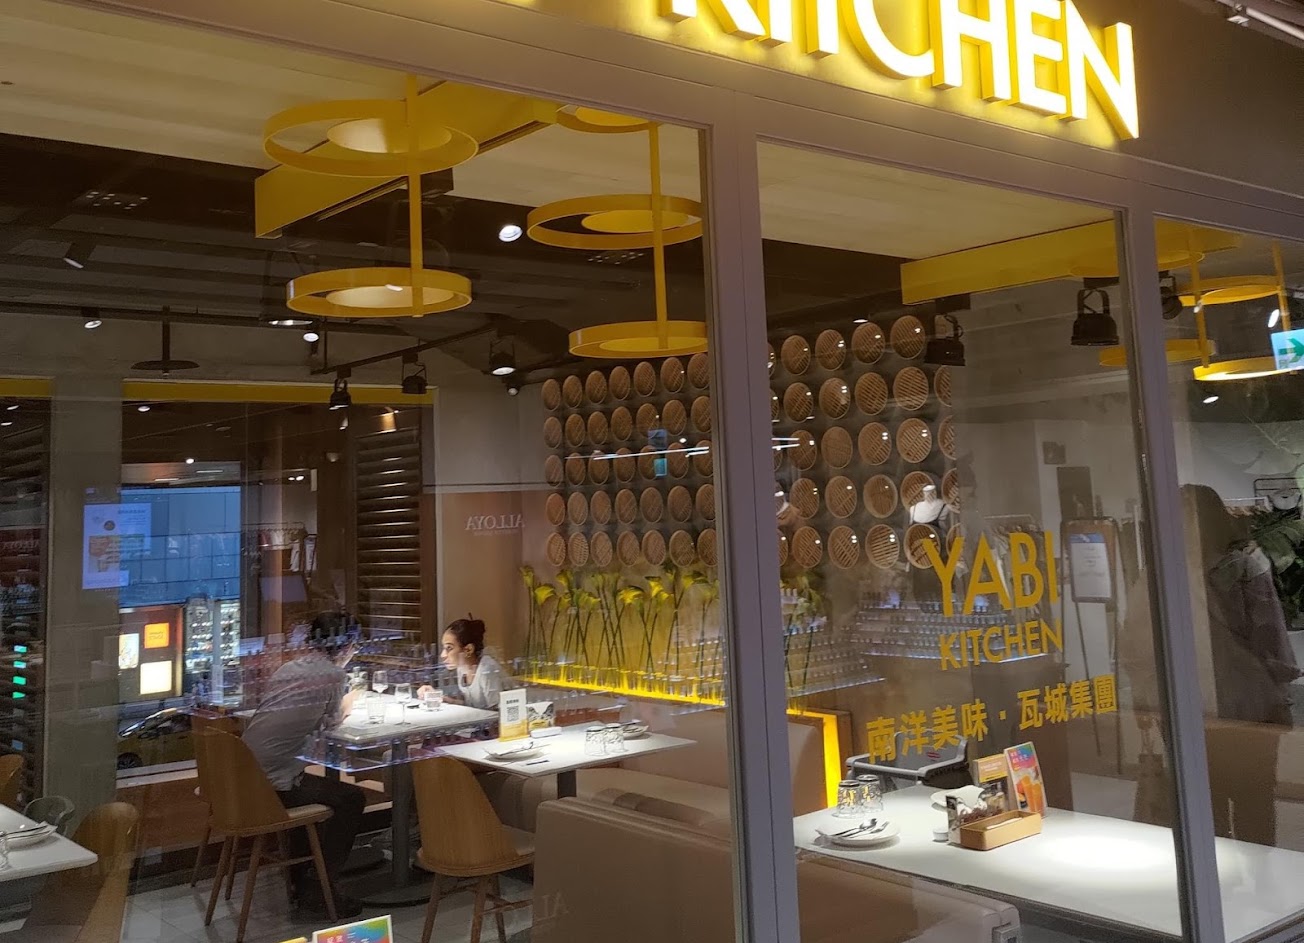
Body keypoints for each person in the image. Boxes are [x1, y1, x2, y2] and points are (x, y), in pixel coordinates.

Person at [241, 611, 365, 917]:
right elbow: (332, 722)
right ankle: (319, 888)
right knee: (351, 798)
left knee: (312, 791)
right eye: (355, 645)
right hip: (274, 785)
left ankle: (301, 878)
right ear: (347, 646)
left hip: (243, 778)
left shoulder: (288, 668)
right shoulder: (334, 676)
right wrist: (350, 701)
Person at [421, 616, 514, 710]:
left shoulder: (486, 669)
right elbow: (473, 705)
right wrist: (440, 698)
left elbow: (497, 712)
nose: (443, 655)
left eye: (449, 648)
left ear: (468, 649)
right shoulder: (462, 668)